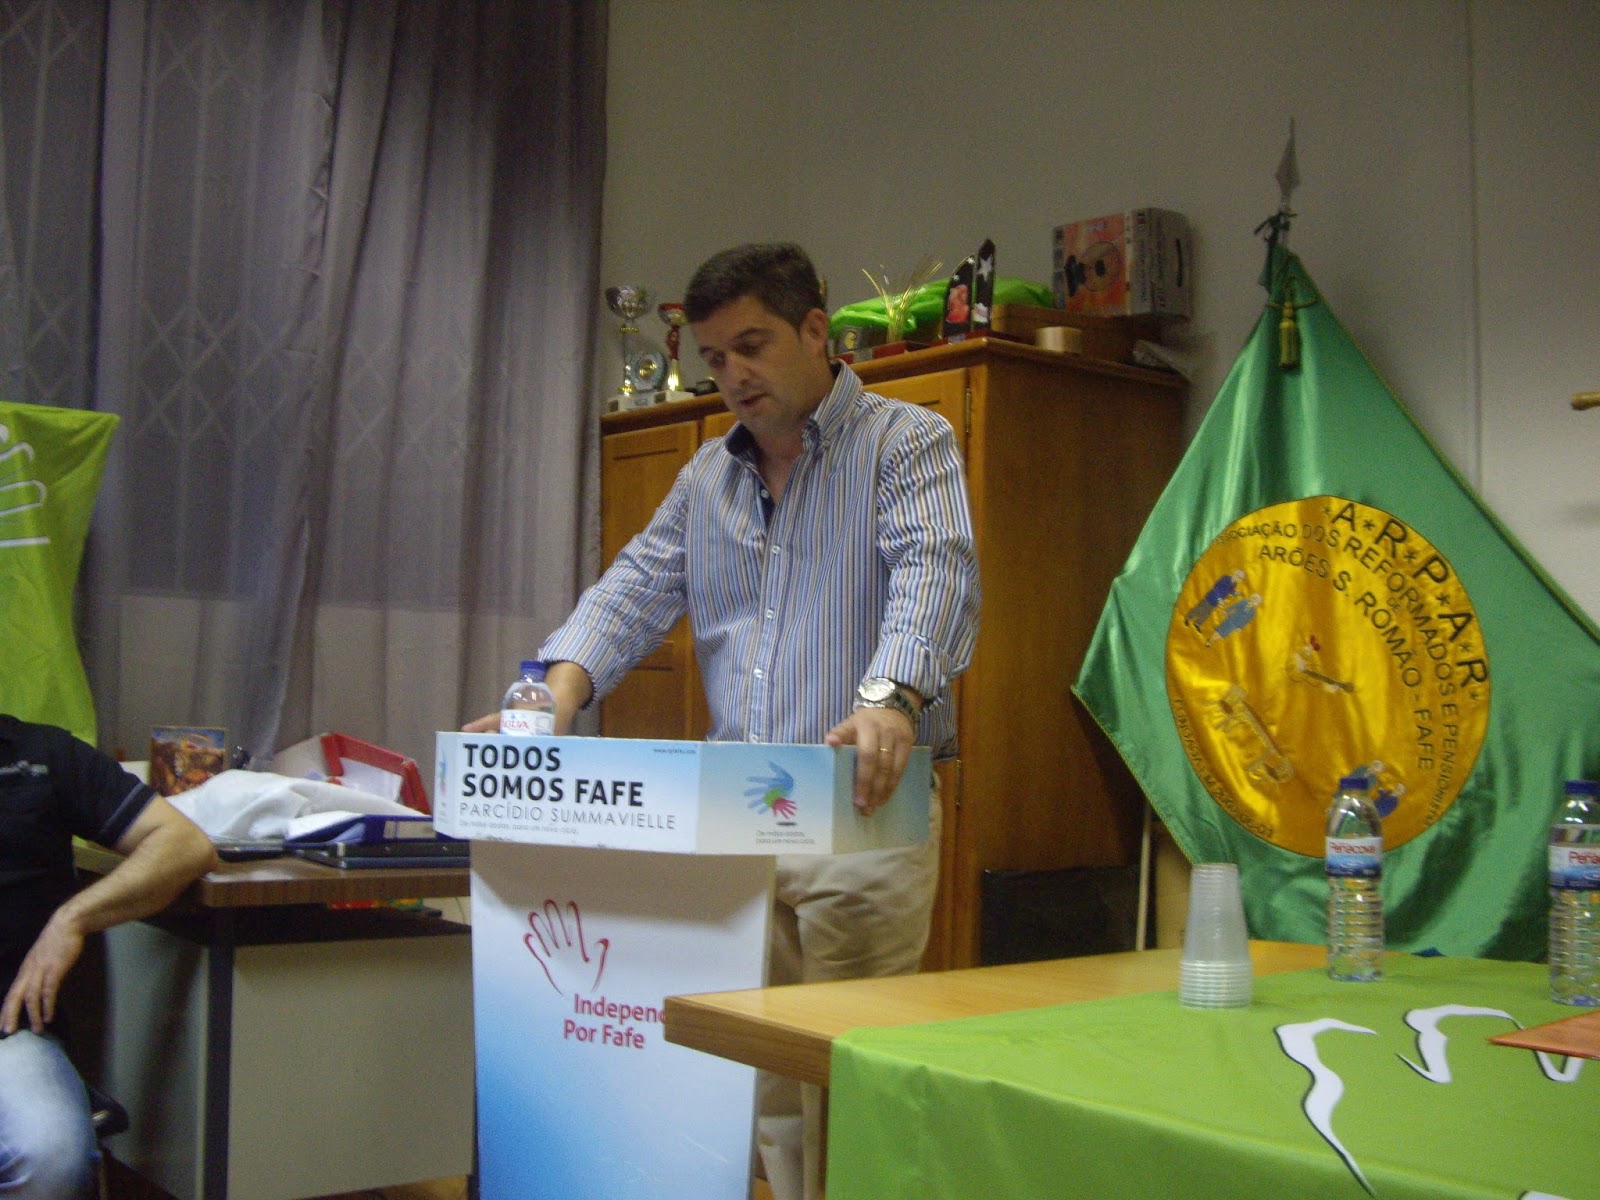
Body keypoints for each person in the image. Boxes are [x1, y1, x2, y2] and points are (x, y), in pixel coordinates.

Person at [466, 241, 980, 1199]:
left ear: (815, 331)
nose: (734, 374)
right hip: (738, 817)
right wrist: (549, 698)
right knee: (765, 1079)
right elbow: (631, 591)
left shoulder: (906, 442)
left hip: (859, 804)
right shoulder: (707, 476)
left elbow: (935, 570)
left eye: (752, 346)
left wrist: (890, 698)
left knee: (851, 1071)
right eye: (714, 358)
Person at [1, 714, 219, 1200]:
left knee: (50, 1158)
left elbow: (184, 843)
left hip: (9, 1030)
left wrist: (72, 918)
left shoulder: (43, 755)